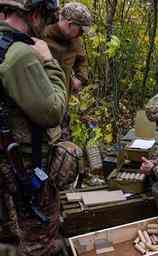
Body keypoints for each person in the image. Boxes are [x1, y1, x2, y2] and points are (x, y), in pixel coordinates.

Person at [0, 1, 84, 255]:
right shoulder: (20, 53)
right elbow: (53, 111)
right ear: (35, 14)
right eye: (46, 19)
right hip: (25, 168)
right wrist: (49, 62)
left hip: (8, 160)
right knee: (38, 239)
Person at [44, 2, 92, 99]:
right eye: (80, 29)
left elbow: (81, 60)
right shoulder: (42, 34)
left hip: (63, 101)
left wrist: (80, 79)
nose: (81, 34)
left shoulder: (75, 39)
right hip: (43, 101)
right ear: (69, 24)